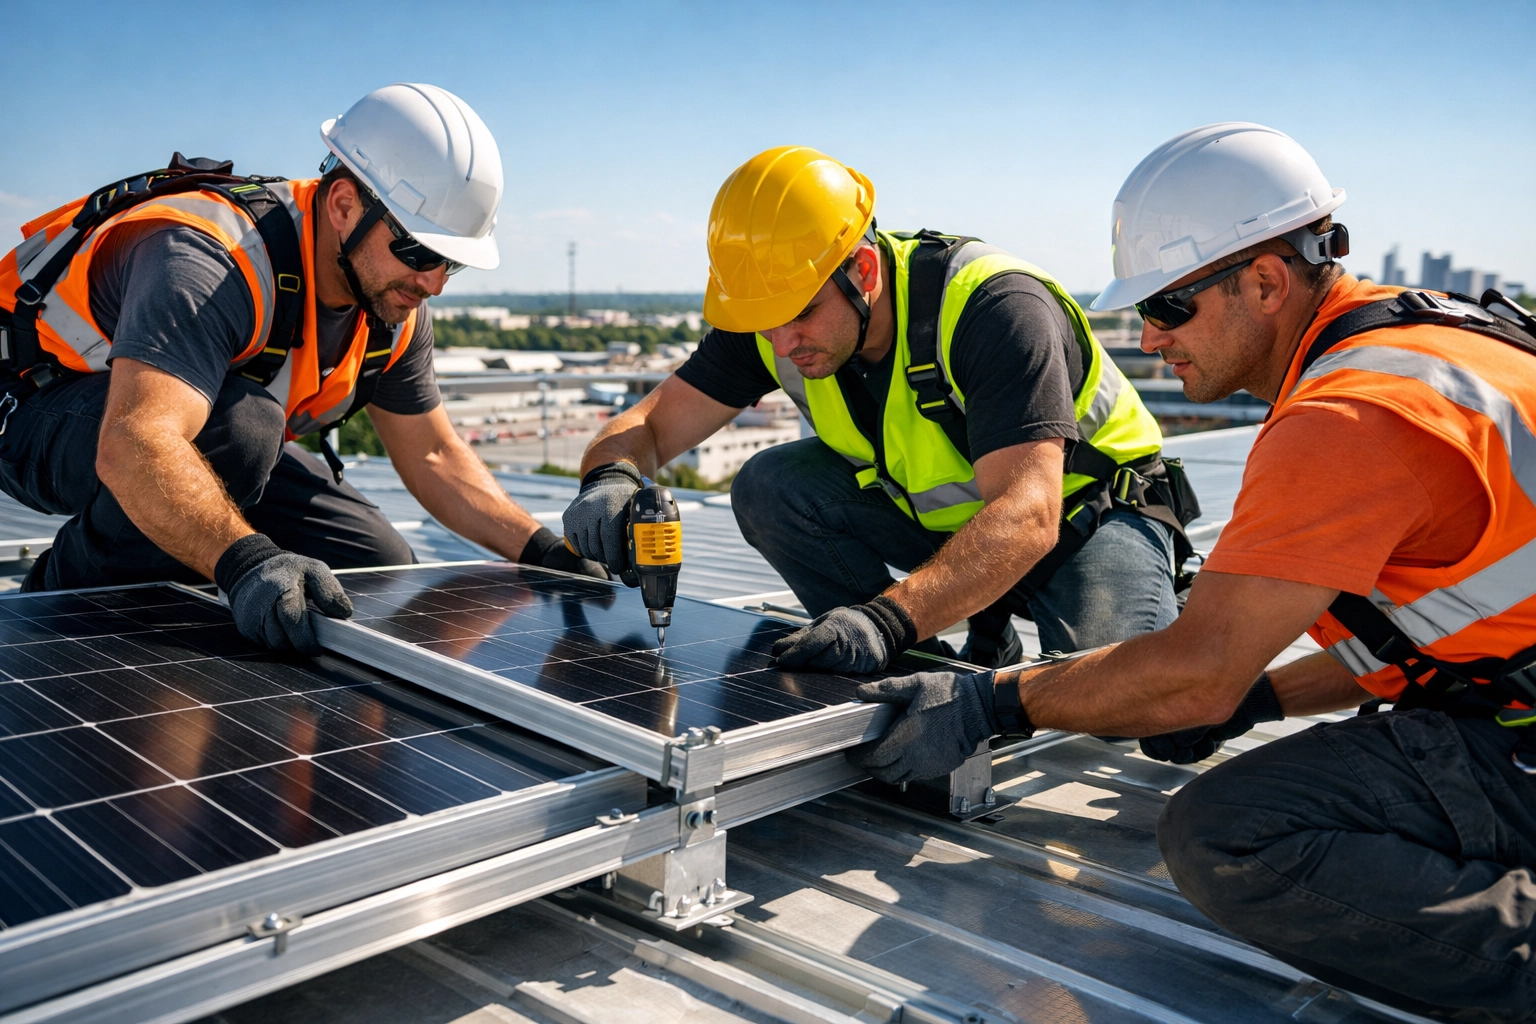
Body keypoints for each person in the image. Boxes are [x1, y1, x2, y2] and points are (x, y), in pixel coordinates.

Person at [849, 122, 1536, 1019]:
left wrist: (995, 701)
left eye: (1170, 305)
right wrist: (1263, 699)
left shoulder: (1349, 419)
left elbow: (1196, 674)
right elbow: (1457, 636)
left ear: (1265, 280)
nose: (1146, 336)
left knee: (1224, 833)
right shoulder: (1443, 339)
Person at [0, 83, 602, 654]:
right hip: (36, 406)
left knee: (375, 561)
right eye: (418, 251)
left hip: (197, 429)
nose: (434, 284)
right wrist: (245, 561)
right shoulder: (208, 260)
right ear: (344, 205)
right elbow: (137, 442)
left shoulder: (391, 306)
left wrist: (545, 551)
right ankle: (49, 610)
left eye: (452, 263)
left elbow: (434, 456)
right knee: (243, 429)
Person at [564, 146, 1189, 673]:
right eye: (765, 320)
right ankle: (915, 671)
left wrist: (884, 619)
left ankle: (1168, 596)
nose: (780, 343)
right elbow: (648, 424)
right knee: (770, 484)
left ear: (863, 270)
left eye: (801, 314)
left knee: (1118, 690)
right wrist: (611, 476)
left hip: (1087, 521)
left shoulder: (994, 308)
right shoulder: (772, 312)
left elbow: (1029, 515)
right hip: (960, 526)